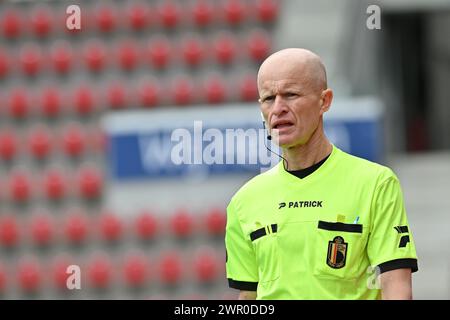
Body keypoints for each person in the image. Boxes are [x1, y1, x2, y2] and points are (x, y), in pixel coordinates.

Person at [225, 48, 418, 300]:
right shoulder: (244, 201)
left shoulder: (375, 183)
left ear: (324, 101)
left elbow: (396, 287)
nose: (278, 108)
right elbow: (248, 297)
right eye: (268, 98)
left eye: (291, 95)